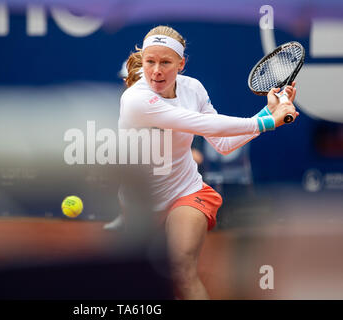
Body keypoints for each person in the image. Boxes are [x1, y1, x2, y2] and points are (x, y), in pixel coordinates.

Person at [118, 25, 297, 299]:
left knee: (182, 270)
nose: (156, 71)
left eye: (165, 62)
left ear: (181, 63)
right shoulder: (135, 100)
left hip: (186, 191)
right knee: (140, 282)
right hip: (139, 201)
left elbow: (222, 143)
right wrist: (267, 120)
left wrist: (267, 112)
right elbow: (202, 123)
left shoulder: (194, 90)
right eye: (150, 62)